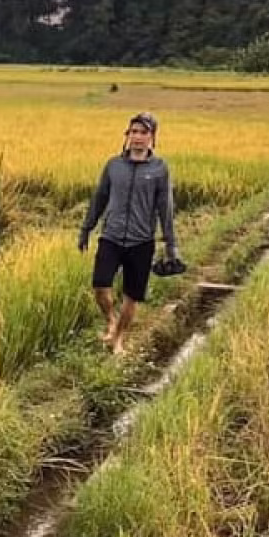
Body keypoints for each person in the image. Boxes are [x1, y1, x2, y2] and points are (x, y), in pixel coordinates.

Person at [78, 112, 180, 355]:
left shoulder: (159, 169)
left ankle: (119, 338)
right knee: (100, 287)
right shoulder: (114, 166)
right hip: (111, 236)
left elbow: (165, 208)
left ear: (152, 138)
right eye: (133, 132)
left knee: (131, 296)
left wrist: (170, 245)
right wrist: (86, 229)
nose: (137, 137)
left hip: (141, 241)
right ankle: (111, 321)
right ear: (127, 136)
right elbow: (99, 198)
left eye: (143, 133)